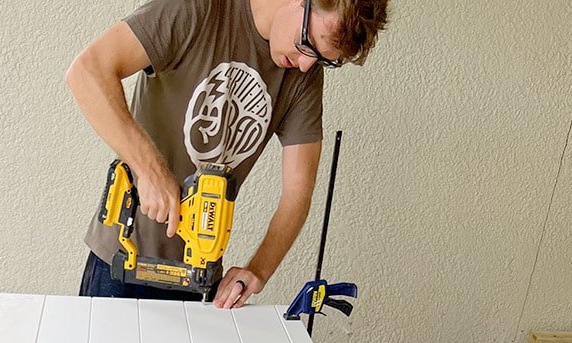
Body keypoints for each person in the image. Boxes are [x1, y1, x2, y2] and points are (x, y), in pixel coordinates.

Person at [66, 0, 389, 307]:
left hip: (198, 274)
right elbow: (87, 71)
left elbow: (297, 194)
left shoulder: (304, 74)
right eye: (307, 44)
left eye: (322, 59)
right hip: (122, 260)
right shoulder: (199, 10)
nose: (306, 63)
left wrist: (259, 270)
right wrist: (150, 171)